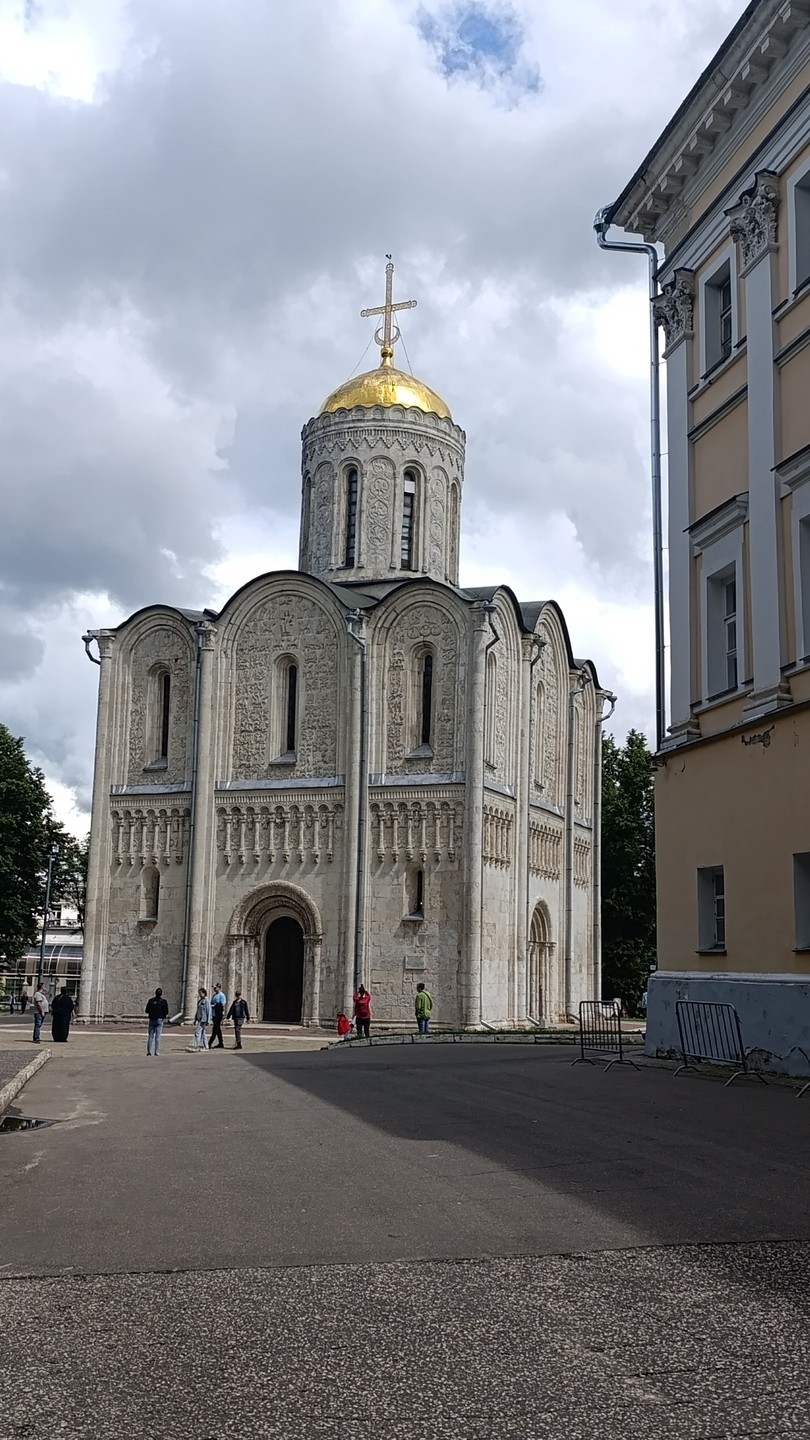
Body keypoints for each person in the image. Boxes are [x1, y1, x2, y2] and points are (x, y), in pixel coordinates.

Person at [145, 986, 169, 1056]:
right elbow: (166, 1011)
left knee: (150, 1036)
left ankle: (149, 1052)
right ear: (161, 994)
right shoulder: (164, 1002)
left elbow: (146, 1010)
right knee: (158, 1037)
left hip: (152, 1019)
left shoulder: (151, 1001)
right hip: (160, 1019)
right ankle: (157, 1052)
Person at [209, 982, 227, 1049]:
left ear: (219, 988)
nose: (214, 989)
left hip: (218, 1013)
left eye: (215, 988)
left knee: (215, 1028)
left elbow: (223, 1004)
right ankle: (221, 1043)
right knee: (217, 1028)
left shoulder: (221, 995)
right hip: (214, 1013)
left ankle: (210, 1042)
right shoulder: (214, 995)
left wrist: (215, 1005)